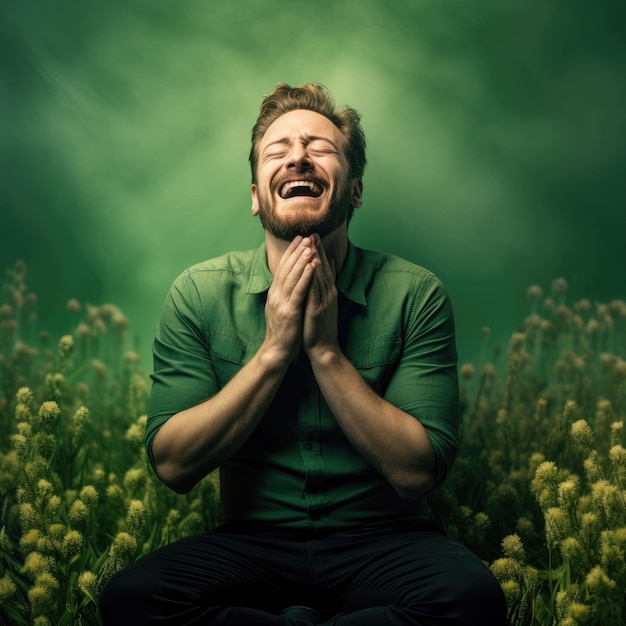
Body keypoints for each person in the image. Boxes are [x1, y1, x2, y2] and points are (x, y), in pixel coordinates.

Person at [99, 83, 508, 625]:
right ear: (254, 195)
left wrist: (324, 351)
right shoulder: (197, 295)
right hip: (253, 546)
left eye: (319, 147)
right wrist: (273, 351)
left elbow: (416, 473)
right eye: (278, 150)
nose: (297, 156)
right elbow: (173, 465)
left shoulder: (416, 295)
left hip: (385, 545)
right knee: (131, 600)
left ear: (355, 190)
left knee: (473, 601)